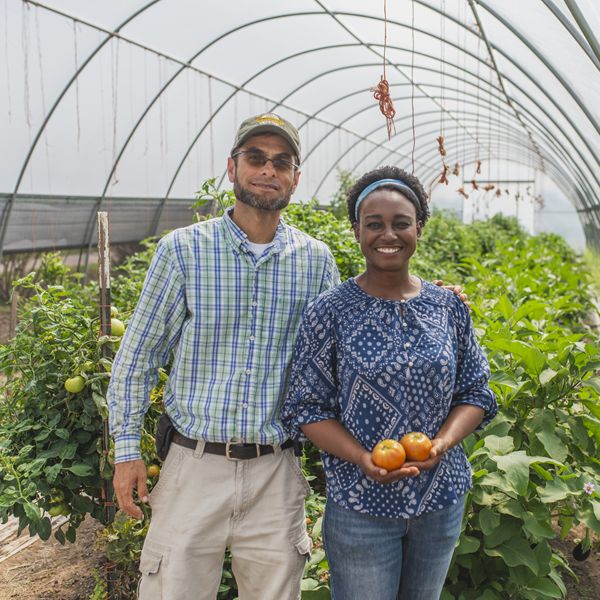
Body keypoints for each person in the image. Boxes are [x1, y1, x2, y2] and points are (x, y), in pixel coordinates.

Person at [107, 113, 340, 600]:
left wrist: (425, 301)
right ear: (232, 169)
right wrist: (127, 450)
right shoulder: (183, 251)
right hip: (194, 465)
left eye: (282, 162)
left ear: (296, 177)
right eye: (255, 158)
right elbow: (138, 356)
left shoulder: (316, 260)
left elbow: (335, 358)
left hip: (277, 469)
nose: (268, 170)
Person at [281, 166, 498, 600]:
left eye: (401, 223)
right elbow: (307, 408)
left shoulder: (448, 307)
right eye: (374, 224)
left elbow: (476, 392)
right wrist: (362, 458)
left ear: (419, 228)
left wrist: (441, 444)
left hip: (440, 498)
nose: (388, 235)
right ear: (356, 230)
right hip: (361, 504)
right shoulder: (330, 311)